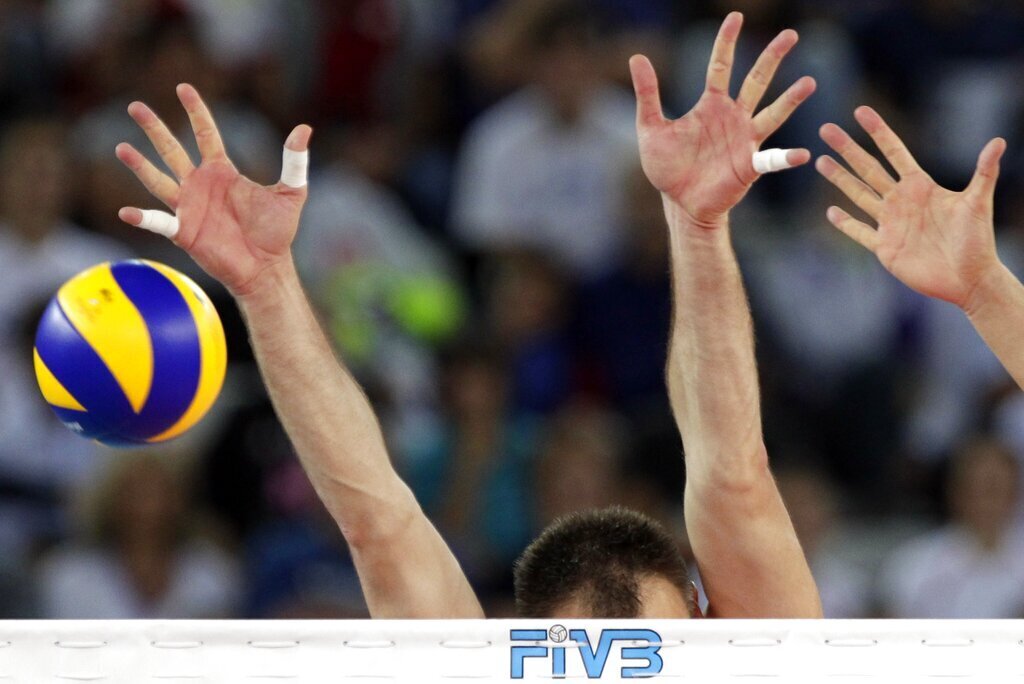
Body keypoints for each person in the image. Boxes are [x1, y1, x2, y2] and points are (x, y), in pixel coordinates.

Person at [114, 12, 822, 618]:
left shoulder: (752, 655)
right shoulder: (486, 664)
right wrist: (264, 290)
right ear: (514, 641)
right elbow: (374, 520)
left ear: (705, 618)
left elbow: (735, 481)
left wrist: (697, 229)